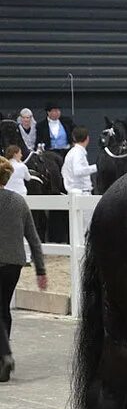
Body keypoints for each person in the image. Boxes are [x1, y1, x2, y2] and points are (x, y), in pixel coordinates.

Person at [0, 156, 47, 382]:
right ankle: (2, 359)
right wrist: (40, 270)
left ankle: (5, 354)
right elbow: (34, 238)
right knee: (3, 309)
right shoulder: (19, 202)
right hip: (14, 264)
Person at [61, 127, 97, 194]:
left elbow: (63, 171)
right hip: (81, 194)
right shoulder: (77, 153)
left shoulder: (72, 152)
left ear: (74, 138)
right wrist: (97, 167)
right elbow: (78, 171)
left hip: (75, 193)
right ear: (87, 138)